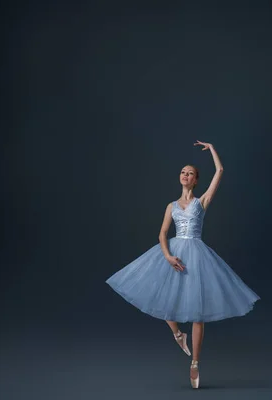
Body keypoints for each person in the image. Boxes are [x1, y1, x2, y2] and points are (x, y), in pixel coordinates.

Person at [105, 140, 260, 389]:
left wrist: (212, 150)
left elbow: (220, 172)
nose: (185, 175)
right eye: (183, 172)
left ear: (196, 180)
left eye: (190, 173)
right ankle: (178, 334)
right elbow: (162, 234)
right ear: (180, 178)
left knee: (197, 313)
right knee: (161, 295)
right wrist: (167, 256)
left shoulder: (202, 202)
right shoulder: (171, 206)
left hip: (197, 254)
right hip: (175, 252)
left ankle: (195, 363)